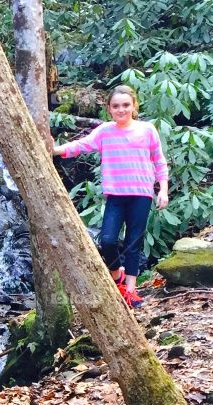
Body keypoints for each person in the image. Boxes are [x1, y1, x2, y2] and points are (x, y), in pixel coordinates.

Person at [54, 85, 169, 308]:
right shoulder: (105, 131)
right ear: (109, 109)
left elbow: (159, 160)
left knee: (133, 242)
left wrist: (162, 190)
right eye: (116, 106)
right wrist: (55, 149)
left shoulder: (146, 130)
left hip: (141, 194)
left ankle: (131, 291)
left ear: (134, 106)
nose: (121, 110)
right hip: (115, 195)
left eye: (126, 105)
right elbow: (82, 145)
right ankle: (117, 277)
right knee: (107, 240)